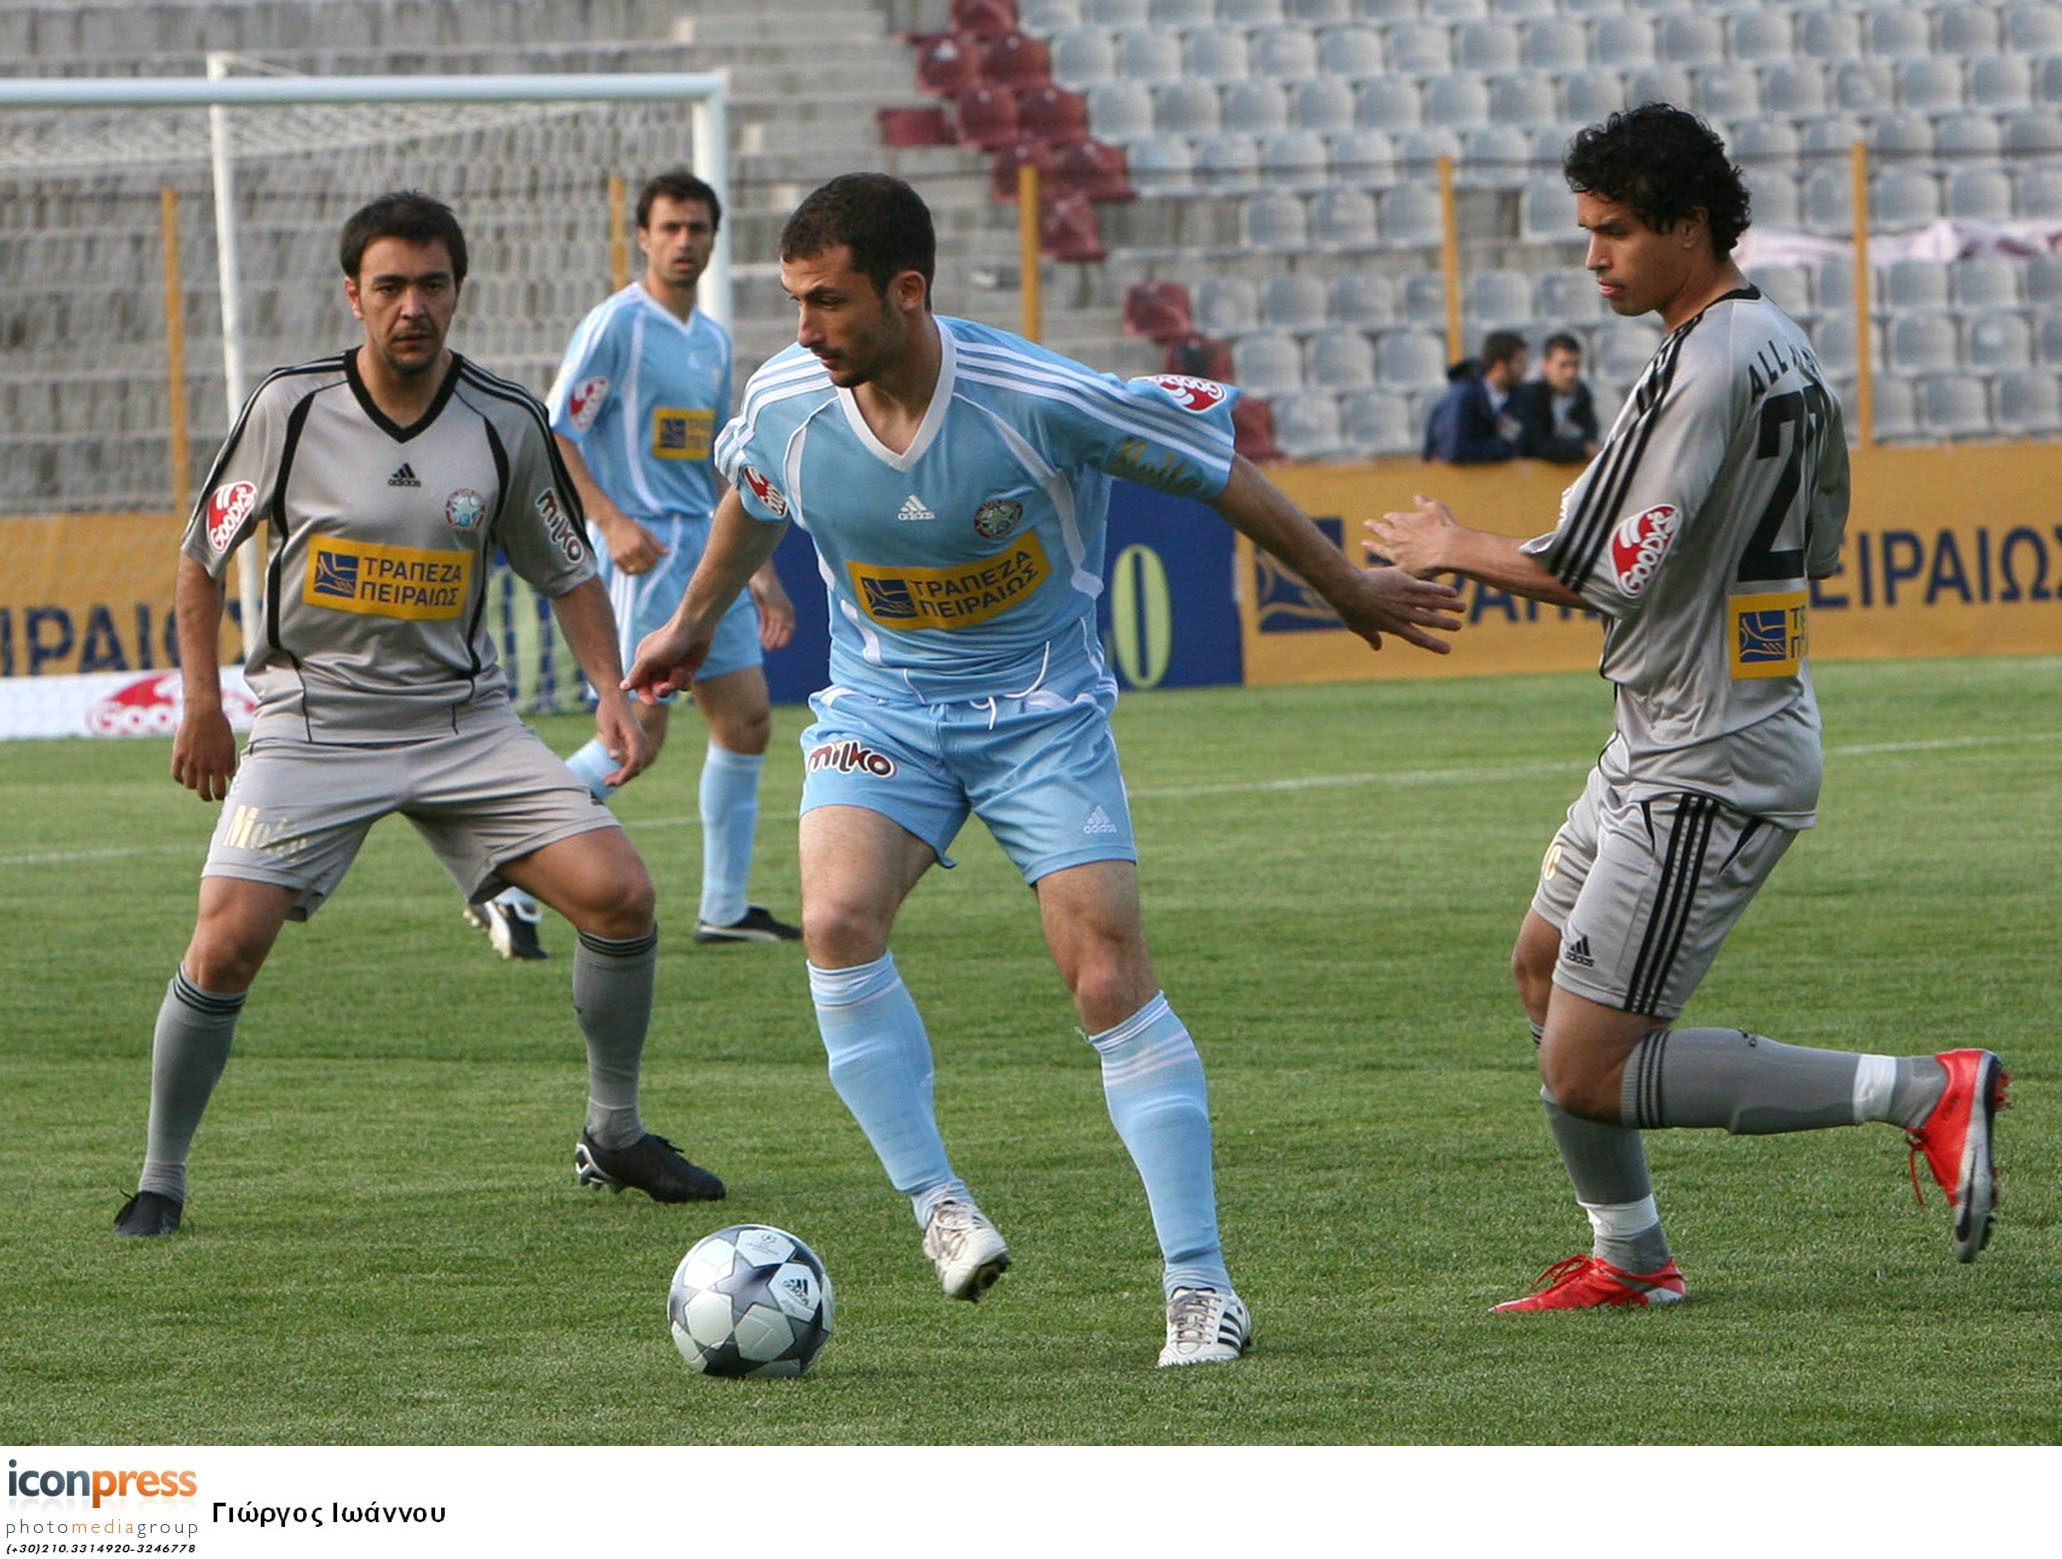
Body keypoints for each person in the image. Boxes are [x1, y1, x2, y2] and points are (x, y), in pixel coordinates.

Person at [626, 173, 1464, 1364]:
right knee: (833, 917)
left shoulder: (1037, 396)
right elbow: (750, 501)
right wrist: (687, 617)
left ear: (907, 291)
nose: (804, 330)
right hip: (884, 706)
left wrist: (1340, 584)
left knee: (1104, 978)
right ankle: (939, 1205)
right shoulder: (784, 402)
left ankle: (1200, 1283)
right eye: (794, 303)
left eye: (827, 303)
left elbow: (1211, 466)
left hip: (1041, 714)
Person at [1370, 105, 2006, 1310]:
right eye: (1587, 233)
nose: (1593, 256)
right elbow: (1818, 535)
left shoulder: (1704, 364)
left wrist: (1455, 542)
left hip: (1708, 753)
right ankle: (1631, 1257)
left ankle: (1925, 1090)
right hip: (1671, 721)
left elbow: (1605, 565)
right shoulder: (1777, 342)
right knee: (1540, 966)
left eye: (1613, 232)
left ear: (1689, 226)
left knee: (1588, 1068)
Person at [114, 191, 726, 1238]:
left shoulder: (504, 420)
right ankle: (160, 1177)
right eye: (389, 285)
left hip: (462, 723)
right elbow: (199, 557)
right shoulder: (290, 407)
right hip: (312, 724)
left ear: (457, 292)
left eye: (432, 284)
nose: (412, 306)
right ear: (352, 294)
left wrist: (610, 693)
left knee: (620, 896)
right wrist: (203, 704)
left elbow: (569, 571)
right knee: (224, 944)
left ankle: (614, 1132)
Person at [468, 168, 800, 961]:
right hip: (645, 551)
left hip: (705, 550)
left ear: (715, 239)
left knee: (747, 718)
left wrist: (755, 567)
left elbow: (726, 456)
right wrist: (608, 519)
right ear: (644, 238)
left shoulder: (713, 339)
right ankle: (506, 868)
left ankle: (724, 905)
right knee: (635, 737)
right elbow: (556, 427)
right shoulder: (617, 325)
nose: (686, 241)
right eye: (672, 228)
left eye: (698, 228)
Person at [1421, 329, 1527, 464]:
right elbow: (1453, 450)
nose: (1525, 368)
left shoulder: (1517, 398)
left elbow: (1514, 444)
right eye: (1520, 362)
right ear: (1500, 365)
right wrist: (1499, 450)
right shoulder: (1462, 397)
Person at [1509, 331, 1600, 464]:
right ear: (1546, 365)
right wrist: (1580, 449)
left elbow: (1590, 436)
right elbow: (1534, 445)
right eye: (1563, 365)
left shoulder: (1582, 394)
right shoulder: (1529, 396)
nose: (1571, 373)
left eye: (1575, 365)